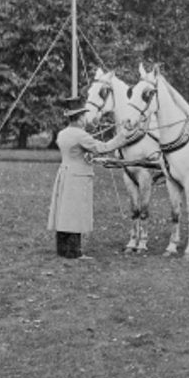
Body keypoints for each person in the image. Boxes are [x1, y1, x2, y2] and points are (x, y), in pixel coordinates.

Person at [48, 97, 132, 259]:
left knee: (64, 212)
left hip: (65, 173)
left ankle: (62, 249)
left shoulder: (62, 134)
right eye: (84, 116)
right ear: (79, 118)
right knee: (75, 213)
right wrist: (123, 136)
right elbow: (103, 147)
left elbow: (75, 152)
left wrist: (85, 156)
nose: (85, 119)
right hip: (77, 176)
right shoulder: (81, 135)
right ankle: (74, 252)